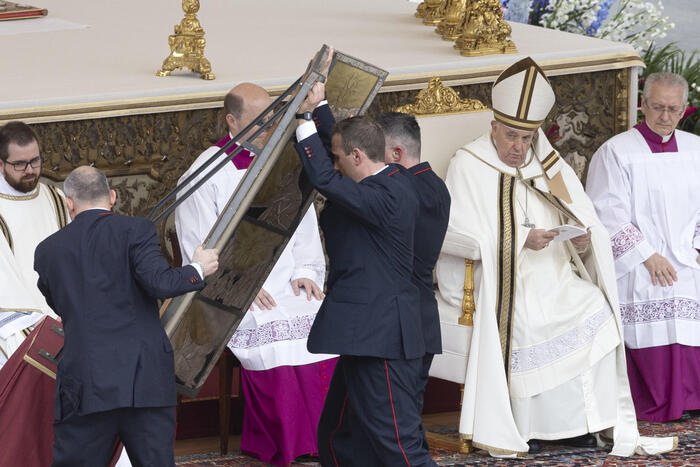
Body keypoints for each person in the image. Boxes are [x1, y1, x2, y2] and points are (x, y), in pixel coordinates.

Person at [435, 57, 675, 457]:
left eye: (526, 138)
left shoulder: (545, 163)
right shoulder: (468, 164)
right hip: (503, 276)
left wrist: (580, 241)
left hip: (553, 271)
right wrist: (519, 241)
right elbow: (456, 232)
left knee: (592, 305)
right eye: (510, 136)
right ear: (493, 127)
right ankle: (530, 426)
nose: (518, 147)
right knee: (531, 319)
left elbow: (583, 216)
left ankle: (583, 425)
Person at [175, 83, 336, 466]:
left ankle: (327, 439)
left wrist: (305, 270)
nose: (270, 127)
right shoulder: (205, 172)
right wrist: (241, 288)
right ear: (232, 121)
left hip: (287, 275)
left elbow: (303, 220)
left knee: (321, 322)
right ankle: (286, 442)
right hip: (237, 287)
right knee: (273, 336)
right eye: (260, 121)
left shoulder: (285, 159)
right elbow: (197, 244)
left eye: (273, 117)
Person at [33, 166, 219, 466]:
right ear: (112, 196)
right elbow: (159, 283)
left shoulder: (47, 251)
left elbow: (61, 306)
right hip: (143, 380)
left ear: (69, 203)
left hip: (84, 382)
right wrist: (196, 268)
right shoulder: (136, 230)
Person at [294, 74, 435, 465]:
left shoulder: (384, 197)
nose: (335, 165)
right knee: (339, 435)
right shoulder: (392, 180)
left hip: (382, 339)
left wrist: (302, 118)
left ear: (357, 157)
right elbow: (338, 155)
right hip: (366, 335)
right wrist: (321, 107)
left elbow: (323, 177)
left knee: (398, 444)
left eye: (340, 158)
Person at [586, 71, 700, 422]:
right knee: (656, 287)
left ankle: (691, 397)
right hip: (639, 260)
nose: (665, 116)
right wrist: (647, 255)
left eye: (673, 109)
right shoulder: (617, 152)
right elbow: (606, 211)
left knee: (687, 283)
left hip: (688, 255)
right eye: (657, 107)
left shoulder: (696, 150)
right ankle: (654, 400)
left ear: (685, 109)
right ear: (642, 105)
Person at [377, 112, 450, 418]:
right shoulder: (437, 186)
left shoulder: (399, 190)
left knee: (393, 418)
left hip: (399, 321)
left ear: (397, 153)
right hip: (424, 316)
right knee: (409, 415)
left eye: (373, 151)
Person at [0, 121, 69, 370]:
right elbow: (6, 290)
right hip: (14, 321)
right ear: (0, 164)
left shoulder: (55, 198)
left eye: (35, 161)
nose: (30, 170)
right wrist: (44, 325)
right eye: (19, 164)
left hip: (64, 314)